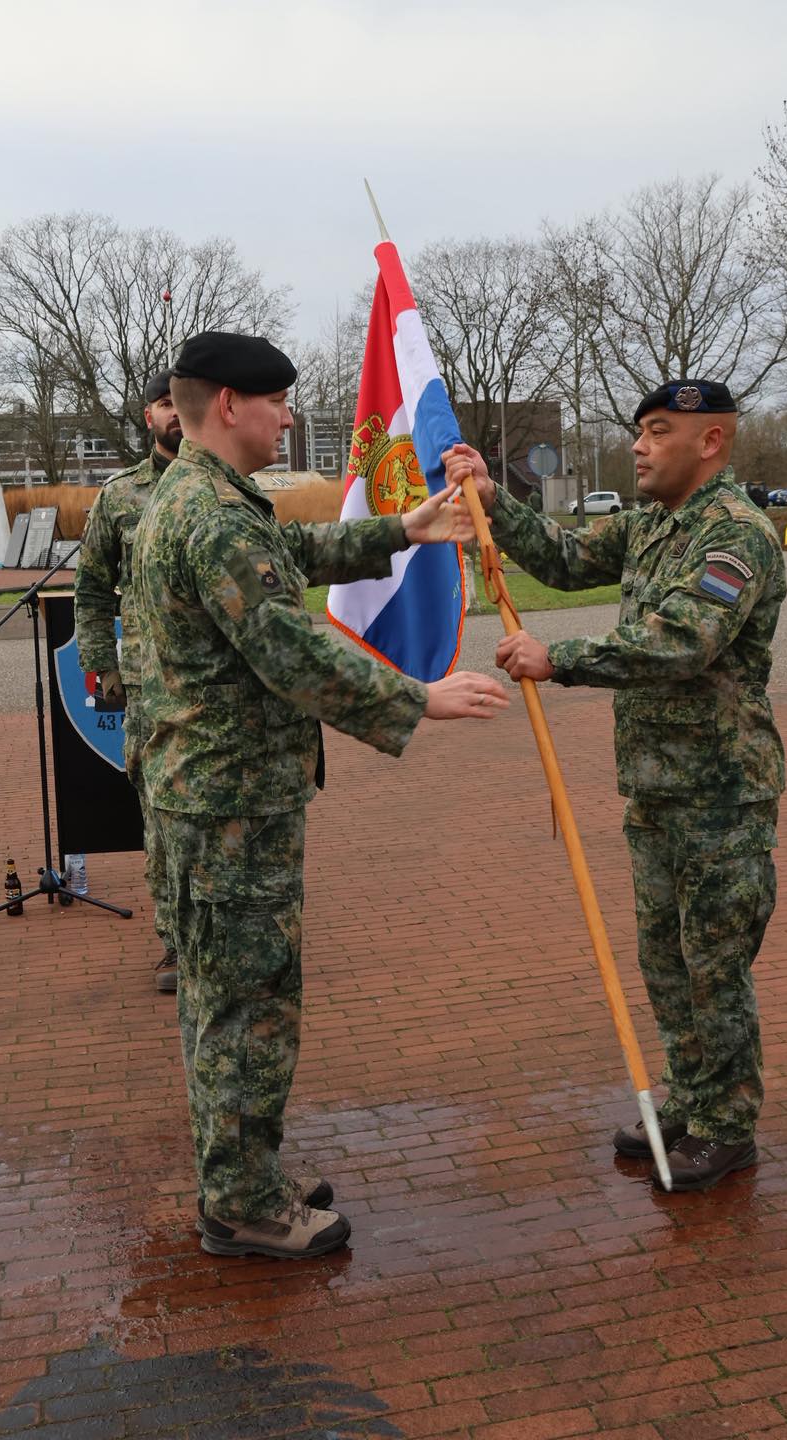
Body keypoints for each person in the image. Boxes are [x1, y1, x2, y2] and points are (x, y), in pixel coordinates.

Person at [133, 330, 509, 1258]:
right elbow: (290, 650)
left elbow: (291, 552)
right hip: (229, 809)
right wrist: (419, 697)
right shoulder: (212, 516)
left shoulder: (209, 498)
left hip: (214, 798)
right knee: (246, 1007)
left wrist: (403, 529)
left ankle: (243, 1174)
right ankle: (242, 1204)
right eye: (276, 402)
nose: (288, 417)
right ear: (230, 404)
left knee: (231, 1001)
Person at [444, 379, 786, 1193]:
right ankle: (692, 1099)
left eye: (658, 430)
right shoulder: (651, 526)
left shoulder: (734, 535)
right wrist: (492, 501)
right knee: (665, 958)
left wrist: (557, 659)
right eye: (639, 430)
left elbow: (682, 641)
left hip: (721, 794)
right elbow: (565, 561)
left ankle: (727, 1126)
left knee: (714, 963)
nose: (638, 445)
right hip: (658, 788)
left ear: (711, 441)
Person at [75, 371, 182, 992]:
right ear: (148, 416)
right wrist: (104, 667)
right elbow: (92, 590)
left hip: (221, 690)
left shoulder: (232, 487)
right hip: (149, 691)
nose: (174, 413)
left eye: (181, 402)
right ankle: (176, 944)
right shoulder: (120, 497)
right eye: (164, 403)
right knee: (162, 820)